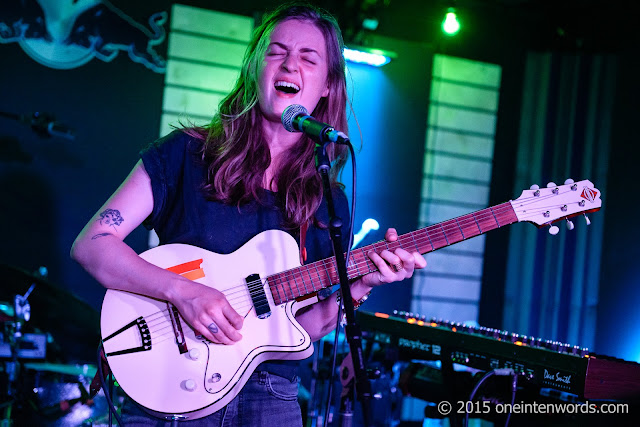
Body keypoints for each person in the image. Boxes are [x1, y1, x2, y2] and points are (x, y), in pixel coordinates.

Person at [71, 2, 426, 425]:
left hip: (270, 395)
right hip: (170, 383)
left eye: (308, 58)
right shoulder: (186, 153)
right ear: (255, 67)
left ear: (328, 85)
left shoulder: (328, 200)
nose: (290, 64)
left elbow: (304, 329)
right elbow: (92, 246)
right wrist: (181, 292)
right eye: (276, 52)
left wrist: (364, 282)